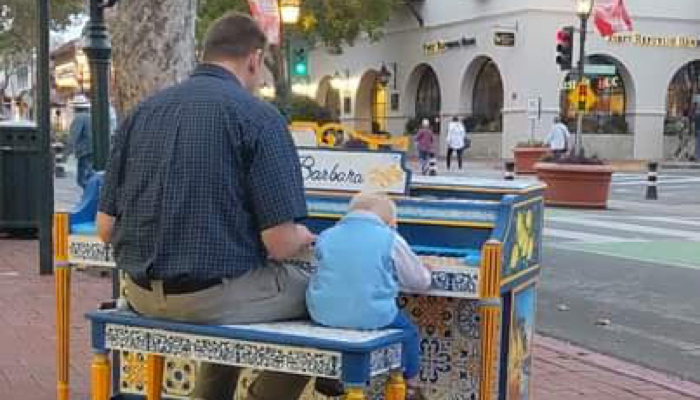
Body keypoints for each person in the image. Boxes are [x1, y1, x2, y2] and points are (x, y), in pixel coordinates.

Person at [96, 12, 316, 400]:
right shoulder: (259, 118)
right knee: (323, 286)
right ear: (254, 58)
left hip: (142, 294)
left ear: (205, 53)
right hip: (211, 300)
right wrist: (305, 236)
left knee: (234, 273)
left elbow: (105, 229)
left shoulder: (140, 115)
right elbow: (280, 244)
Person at [307, 193, 432, 400]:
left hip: (323, 315)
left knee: (335, 310)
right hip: (373, 317)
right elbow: (419, 282)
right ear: (391, 222)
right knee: (408, 331)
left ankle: (328, 375)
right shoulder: (390, 238)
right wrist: (426, 270)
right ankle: (411, 385)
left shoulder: (327, 234)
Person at [68, 96, 93, 189]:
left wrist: (65, 154)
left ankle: (90, 198)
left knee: (82, 179)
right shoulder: (90, 116)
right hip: (92, 151)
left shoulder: (79, 118)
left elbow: (73, 136)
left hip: (84, 152)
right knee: (90, 176)